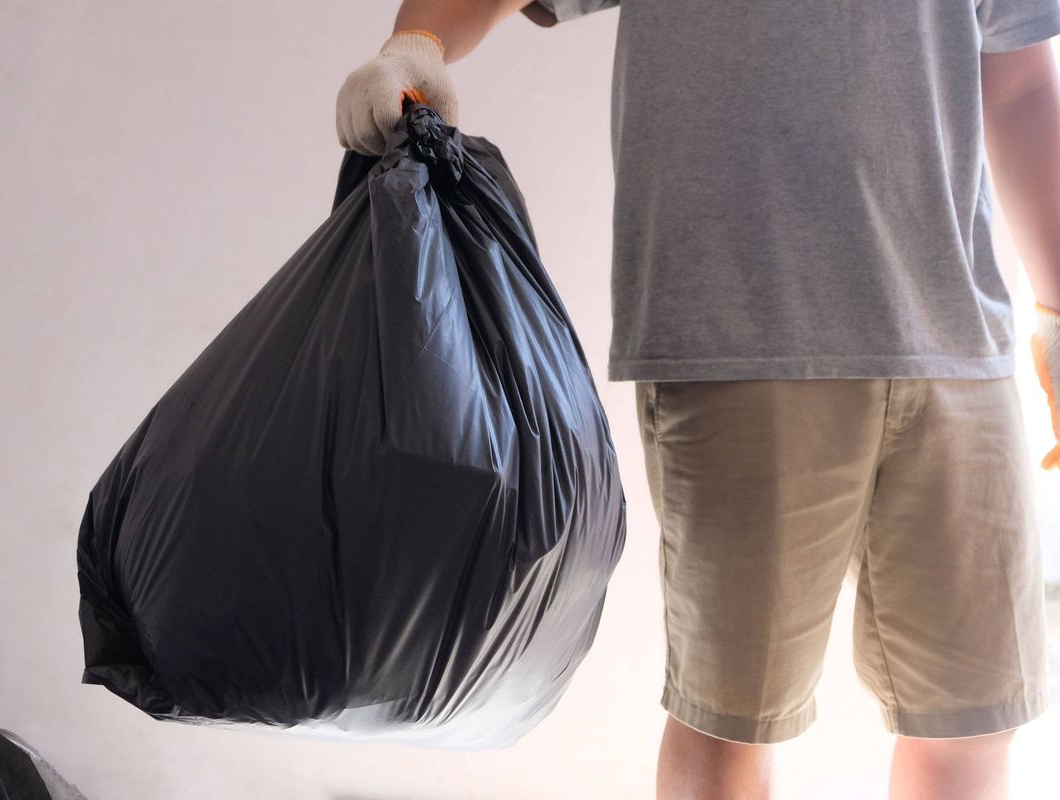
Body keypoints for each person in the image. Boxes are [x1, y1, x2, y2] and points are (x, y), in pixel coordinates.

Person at [334, 1, 1060, 798]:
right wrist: (418, 41)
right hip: (742, 332)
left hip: (960, 341)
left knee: (976, 717)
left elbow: (1019, 82)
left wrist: (1058, 311)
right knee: (731, 720)